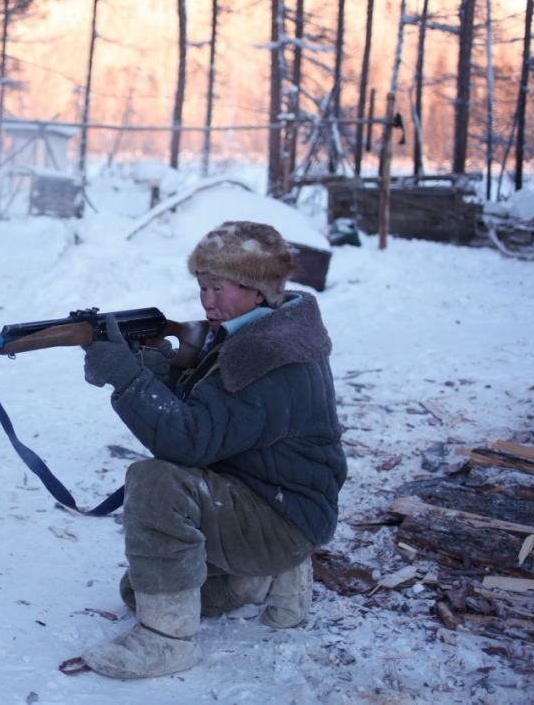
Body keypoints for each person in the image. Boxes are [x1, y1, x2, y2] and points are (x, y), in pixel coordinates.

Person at [80, 220, 347, 679]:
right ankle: (258, 579)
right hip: (283, 498)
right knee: (135, 590)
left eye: (218, 288)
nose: (207, 301)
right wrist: (155, 371)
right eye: (202, 287)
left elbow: (189, 442)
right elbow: (217, 410)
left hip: (284, 518)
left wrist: (128, 379)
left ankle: (166, 642)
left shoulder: (268, 358)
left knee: (155, 481)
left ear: (257, 289)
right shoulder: (272, 331)